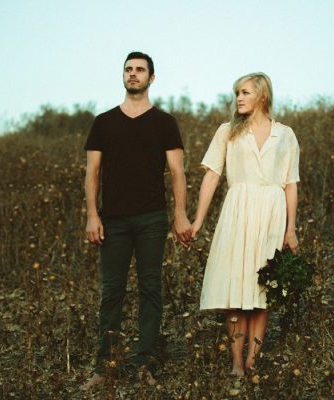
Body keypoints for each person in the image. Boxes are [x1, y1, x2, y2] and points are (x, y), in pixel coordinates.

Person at [81, 51, 191, 389]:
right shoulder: (103, 122)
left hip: (151, 219)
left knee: (150, 290)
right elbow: (92, 172)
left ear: (151, 78)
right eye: (128, 69)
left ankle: (145, 366)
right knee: (111, 292)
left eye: (140, 70)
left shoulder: (165, 122)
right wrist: (92, 215)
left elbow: (177, 172)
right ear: (123, 76)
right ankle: (105, 368)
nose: (133, 74)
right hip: (112, 219)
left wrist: (180, 213)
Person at [191, 72, 300, 376]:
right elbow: (212, 175)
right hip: (238, 211)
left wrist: (290, 229)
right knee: (236, 291)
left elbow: (291, 183)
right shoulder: (228, 131)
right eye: (237, 93)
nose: (238, 97)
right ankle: (237, 363)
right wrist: (198, 220)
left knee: (262, 292)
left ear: (262, 96)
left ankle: (254, 358)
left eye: (245, 92)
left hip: (272, 214)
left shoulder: (286, 134)